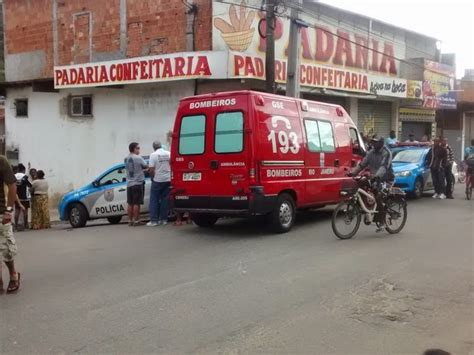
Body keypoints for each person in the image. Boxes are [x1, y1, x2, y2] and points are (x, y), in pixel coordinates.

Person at [349, 136, 394, 232]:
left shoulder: (387, 153)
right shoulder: (371, 152)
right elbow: (362, 164)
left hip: (386, 178)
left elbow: (384, 167)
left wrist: (376, 176)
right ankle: (367, 210)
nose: (373, 144)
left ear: (381, 143)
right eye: (373, 142)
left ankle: (382, 221)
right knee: (360, 184)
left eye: (376, 142)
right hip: (374, 177)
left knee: (378, 197)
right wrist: (353, 172)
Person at [0, 155, 21, 294]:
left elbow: (12, 185)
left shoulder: (1, 161)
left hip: (1, 212)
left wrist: (8, 211)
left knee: (6, 248)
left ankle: (13, 274)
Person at [147, 141, 171, 226]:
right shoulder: (169, 153)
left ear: (154, 147)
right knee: (165, 200)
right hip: (168, 179)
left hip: (158, 180)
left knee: (154, 200)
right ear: (161, 146)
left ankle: (154, 220)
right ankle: (164, 219)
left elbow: (151, 169)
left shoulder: (153, 155)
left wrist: (153, 178)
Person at [125, 142, 148, 226]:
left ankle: (130, 220)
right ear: (134, 149)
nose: (139, 150)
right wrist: (145, 170)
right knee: (136, 203)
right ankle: (136, 220)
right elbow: (146, 166)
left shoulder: (126, 158)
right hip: (137, 183)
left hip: (129, 183)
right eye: (138, 148)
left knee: (130, 203)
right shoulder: (138, 158)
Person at [14, 164, 32, 230]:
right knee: (25, 212)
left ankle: (15, 226)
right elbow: (30, 185)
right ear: (23, 170)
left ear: (18, 169)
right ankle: (26, 226)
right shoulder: (25, 177)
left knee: (17, 212)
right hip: (25, 197)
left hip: (16, 197)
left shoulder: (14, 176)